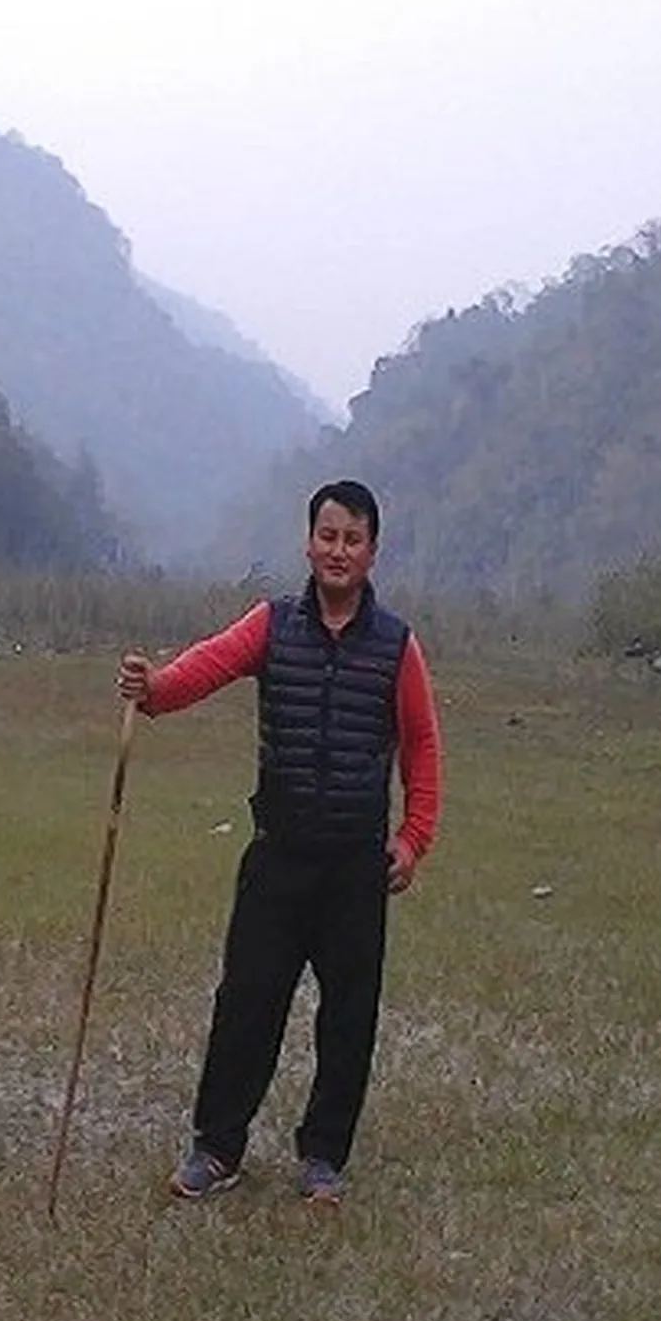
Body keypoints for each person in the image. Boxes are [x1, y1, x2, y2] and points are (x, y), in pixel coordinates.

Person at [117, 479, 442, 1207]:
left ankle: (324, 1156)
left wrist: (414, 837)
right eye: (327, 535)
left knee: (349, 1013)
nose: (338, 550)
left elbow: (422, 744)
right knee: (247, 1004)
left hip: (356, 867)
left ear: (371, 551)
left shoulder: (397, 646)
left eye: (352, 539)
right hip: (277, 857)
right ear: (308, 542)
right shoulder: (272, 625)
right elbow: (207, 665)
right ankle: (216, 1148)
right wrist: (155, 688)